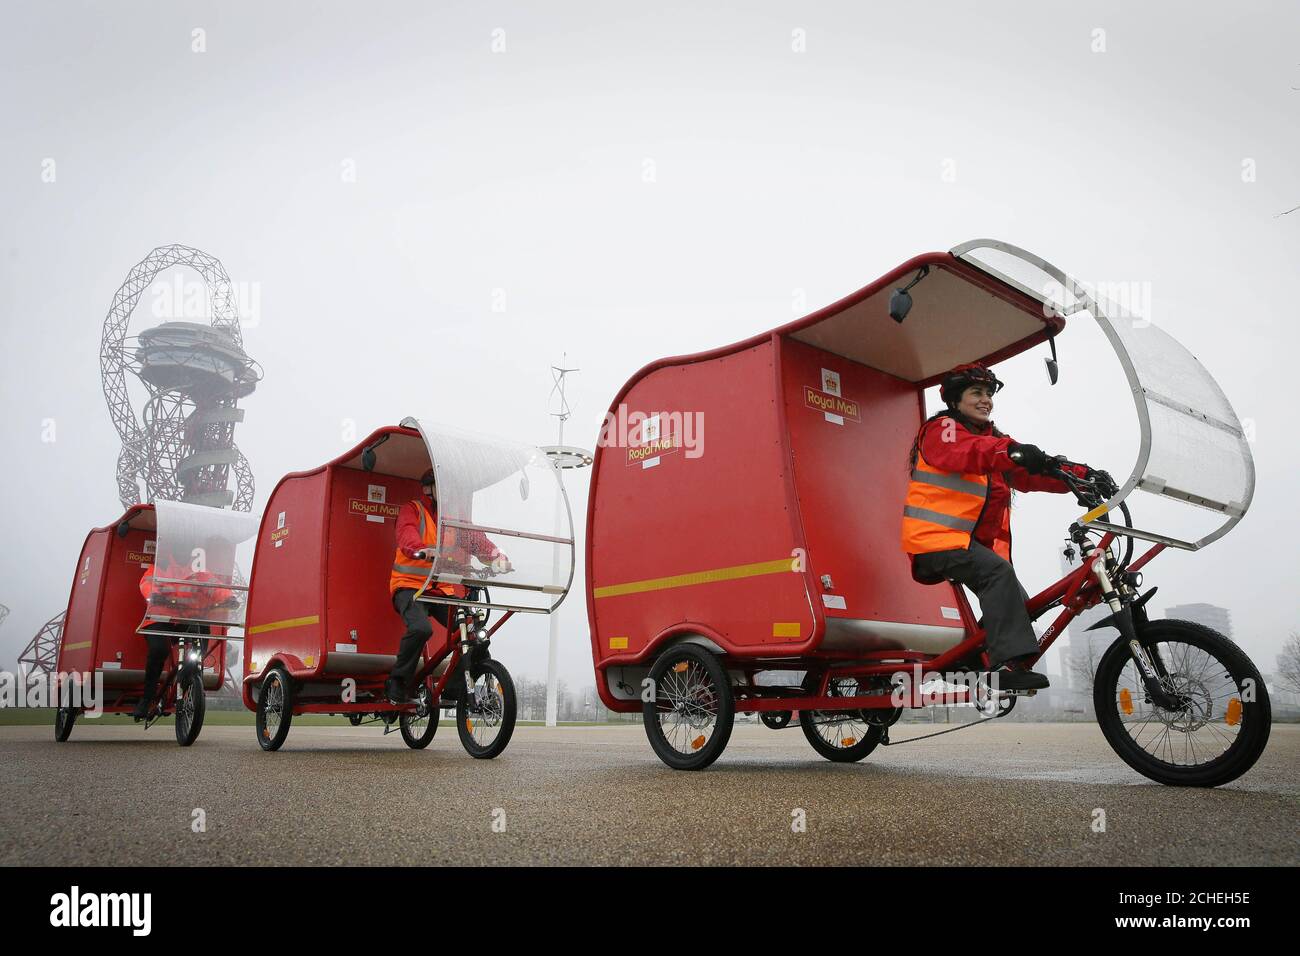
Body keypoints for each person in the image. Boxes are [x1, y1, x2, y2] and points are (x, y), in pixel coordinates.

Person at [900, 363, 1094, 691]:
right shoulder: (942, 429)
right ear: (955, 400)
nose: (986, 400)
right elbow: (964, 452)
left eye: (989, 394)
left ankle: (968, 660)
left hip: (964, 544)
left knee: (1018, 599)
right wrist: (1012, 452)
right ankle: (1005, 665)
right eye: (977, 393)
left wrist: (1080, 475)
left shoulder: (995, 441)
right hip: (933, 541)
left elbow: (1032, 471)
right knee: (998, 575)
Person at [387, 468, 511, 704]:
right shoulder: (413, 510)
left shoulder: (452, 520)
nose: (449, 493)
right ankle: (398, 682)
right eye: (442, 487)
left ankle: (454, 687)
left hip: (441, 591)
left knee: (472, 632)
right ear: (428, 489)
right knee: (421, 629)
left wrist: (497, 557)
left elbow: (477, 541)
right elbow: (406, 534)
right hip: (410, 587)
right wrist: (421, 549)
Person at [132, 557, 228, 719]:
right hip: (160, 618)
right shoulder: (160, 567)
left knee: (202, 629)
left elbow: (216, 586)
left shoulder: (198, 572)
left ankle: (190, 673)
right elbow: (147, 582)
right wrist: (154, 594)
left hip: (185, 619)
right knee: (159, 650)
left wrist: (228, 598)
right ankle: (147, 698)